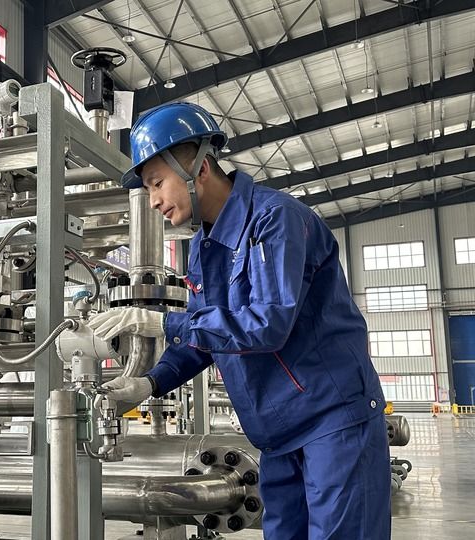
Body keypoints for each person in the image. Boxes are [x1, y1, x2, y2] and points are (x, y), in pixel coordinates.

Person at [87, 102, 391, 539]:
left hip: (332, 422)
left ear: (199, 169)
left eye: (157, 182)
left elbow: (268, 324)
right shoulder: (202, 248)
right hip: (277, 435)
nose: (152, 201)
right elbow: (204, 337)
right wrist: (149, 383)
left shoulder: (274, 220)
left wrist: (164, 323)